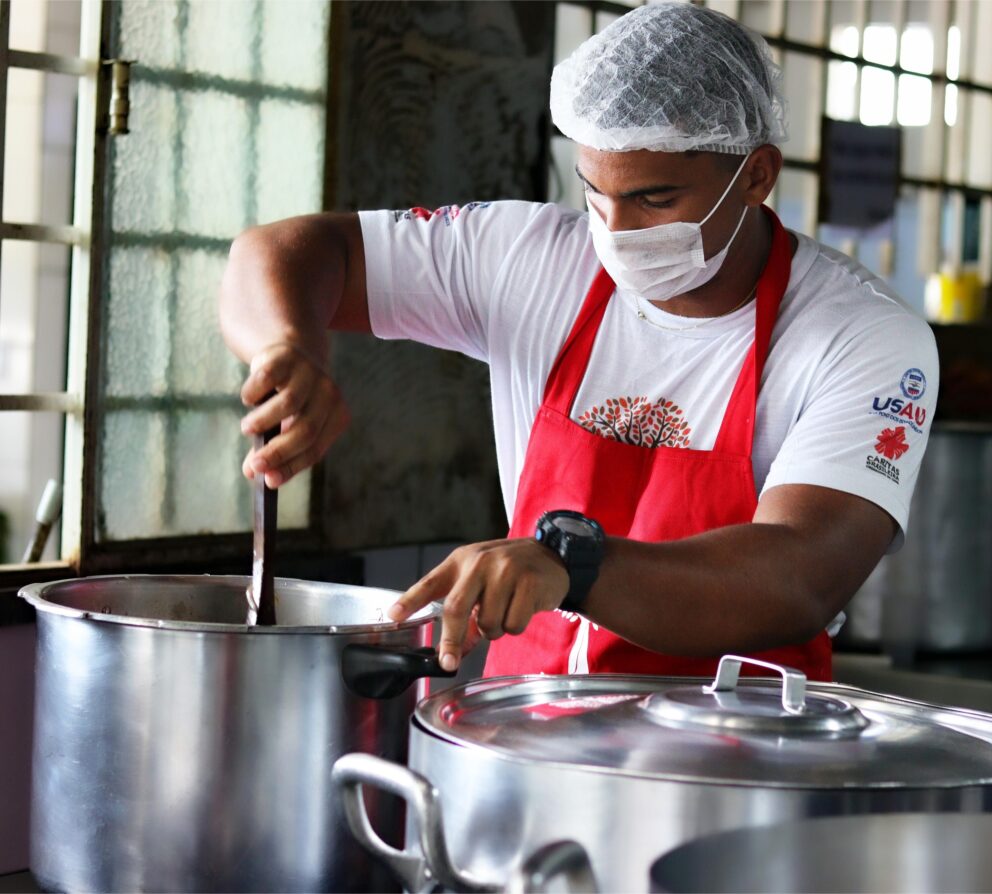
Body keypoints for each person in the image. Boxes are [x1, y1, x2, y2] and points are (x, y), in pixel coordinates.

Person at [219, 4, 938, 682]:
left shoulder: (862, 336)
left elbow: (798, 575)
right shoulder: (532, 257)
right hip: (527, 731)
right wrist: (289, 344)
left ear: (756, 175)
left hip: (736, 761)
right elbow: (286, 250)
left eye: (656, 198)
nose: (617, 232)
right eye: (596, 192)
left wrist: (575, 566)